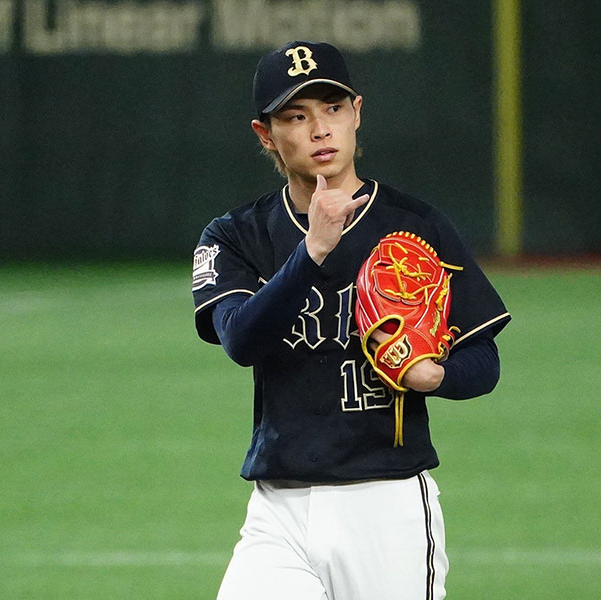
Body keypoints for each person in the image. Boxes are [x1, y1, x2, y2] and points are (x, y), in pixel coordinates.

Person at [191, 40, 511, 600]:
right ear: (265, 134)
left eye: (333, 110)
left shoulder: (416, 227)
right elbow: (240, 339)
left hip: (385, 506)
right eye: (297, 115)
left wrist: (434, 377)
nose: (320, 130)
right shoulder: (235, 235)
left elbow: (484, 359)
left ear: (357, 114)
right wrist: (310, 253)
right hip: (278, 509)